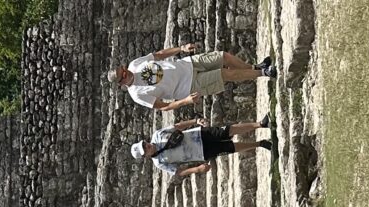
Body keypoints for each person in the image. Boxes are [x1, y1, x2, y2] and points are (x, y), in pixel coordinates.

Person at [112, 43, 274, 111]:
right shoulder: (137, 94)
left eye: (123, 69)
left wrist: (181, 48)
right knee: (225, 74)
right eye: (123, 75)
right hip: (188, 86)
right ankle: (264, 73)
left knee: (223, 56)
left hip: (187, 63)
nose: (126, 72)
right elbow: (163, 107)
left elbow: (159, 55)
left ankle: (255, 68)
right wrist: (185, 101)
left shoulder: (134, 64)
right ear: (122, 83)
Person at [131, 117, 273, 180]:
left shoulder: (157, 135)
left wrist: (195, 121)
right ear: (146, 156)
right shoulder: (159, 162)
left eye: (144, 144)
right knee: (229, 147)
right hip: (200, 153)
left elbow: (177, 126)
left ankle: (260, 124)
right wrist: (197, 169)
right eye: (145, 149)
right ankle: (260, 144)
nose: (147, 146)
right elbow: (178, 172)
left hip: (198, 134)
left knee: (226, 131)